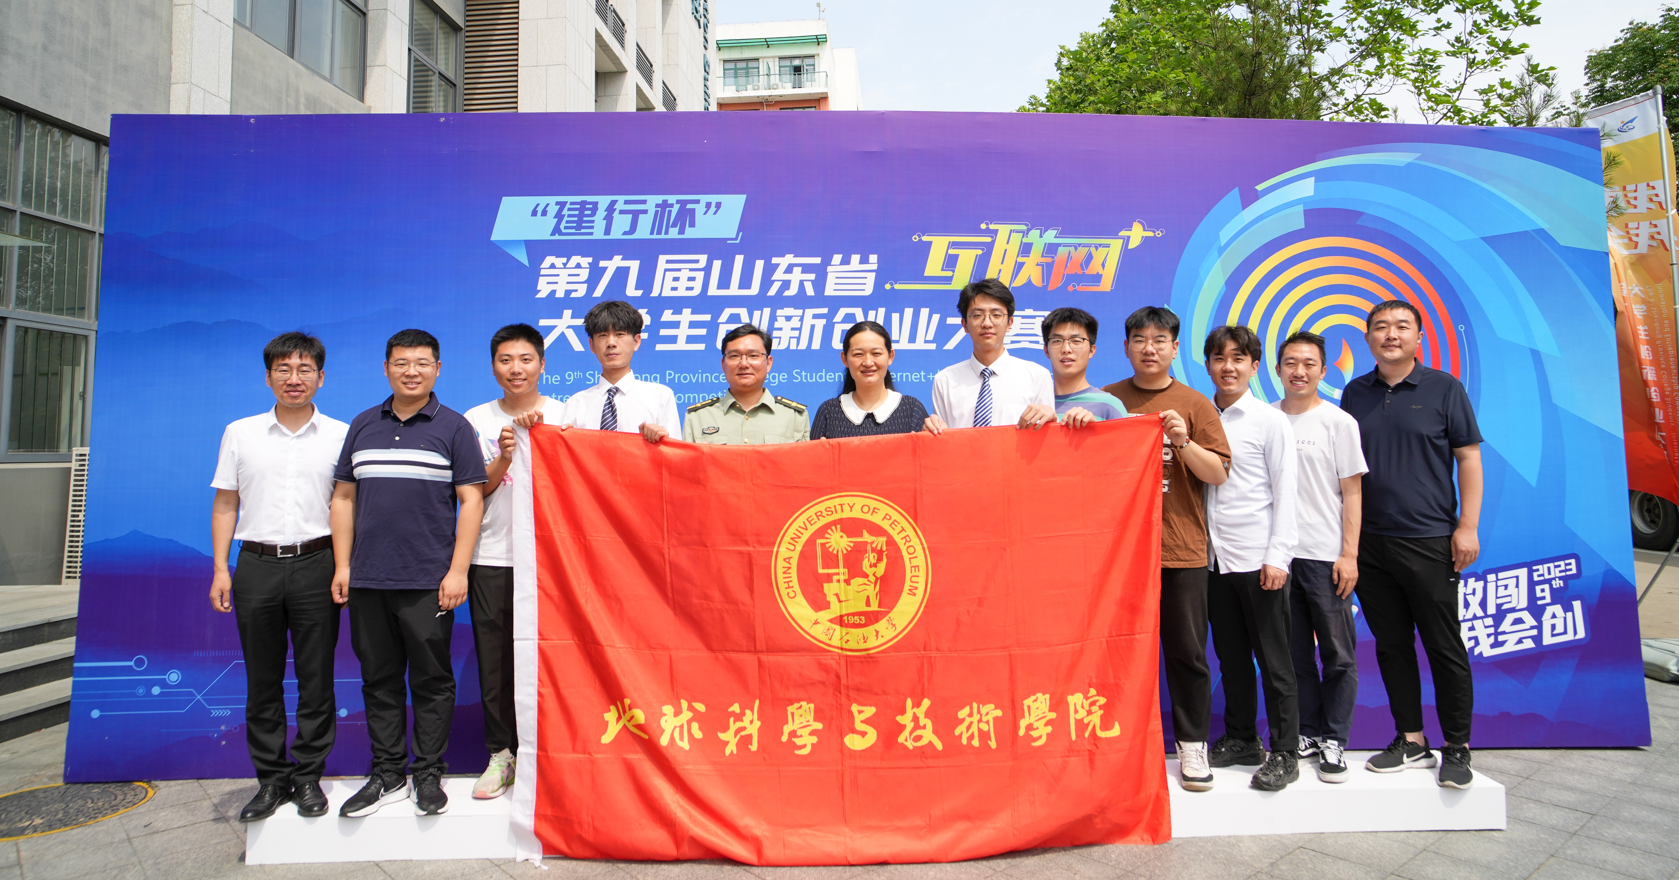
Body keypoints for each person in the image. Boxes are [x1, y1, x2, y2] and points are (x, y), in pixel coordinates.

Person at [331, 329, 487, 818]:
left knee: (431, 679)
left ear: (437, 369)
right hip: (369, 579)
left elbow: (472, 500)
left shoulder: (455, 427)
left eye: (422, 363)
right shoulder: (362, 425)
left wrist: (458, 570)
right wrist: (343, 565)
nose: (411, 371)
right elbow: (343, 497)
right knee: (378, 679)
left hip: (428, 581)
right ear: (386, 368)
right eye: (401, 363)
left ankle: (427, 772)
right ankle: (387, 773)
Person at [1341, 300, 1481, 789]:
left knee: (1444, 645)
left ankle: (1458, 746)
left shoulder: (1445, 388)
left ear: (1419, 337)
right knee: (1392, 646)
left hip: (1429, 540)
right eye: (1381, 327)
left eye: (1402, 326)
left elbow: (1468, 458)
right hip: (1370, 544)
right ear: (1368, 338)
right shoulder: (1355, 393)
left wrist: (1467, 527)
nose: (1391, 334)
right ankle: (1412, 740)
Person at [209, 332, 349, 822]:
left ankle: (308, 777)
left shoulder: (341, 434)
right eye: (284, 370)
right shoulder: (240, 432)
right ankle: (270, 779)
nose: (294, 379)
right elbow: (226, 501)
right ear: (268, 377)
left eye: (304, 369)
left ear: (321, 377)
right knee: (262, 678)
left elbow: (345, 504)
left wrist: (344, 566)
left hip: (318, 563)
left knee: (316, 678)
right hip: (257, 565)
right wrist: (221, 569)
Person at [1101, 306, 1231, 791]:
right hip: (1118, 555)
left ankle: (1192, 745)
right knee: (1116, 656)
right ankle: (1116, 750)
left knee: (1186, 654)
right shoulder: (1106, 400)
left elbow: (1218, 473)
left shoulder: (1195, 404)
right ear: (1126, 347)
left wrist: (1183, 440)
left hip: (1180, 550)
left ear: (1175, 348)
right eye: (1139, 339)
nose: (1149, 348)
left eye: (1159, 340)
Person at [462, 324, 563, 800]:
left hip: (554, 561)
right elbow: (471, 493)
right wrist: (503, 457)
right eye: (506, 360)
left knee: (555, 661)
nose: (516, 369)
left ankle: (550, 757)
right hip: (493, 557)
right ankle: (501, 755)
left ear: (542, 364)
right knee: (496, 662)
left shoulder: (565, 415)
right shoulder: (474, 419)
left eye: (525, 359)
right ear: (493, 367)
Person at [1201, 325, 1300, 792]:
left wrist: (1278, 556)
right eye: (1219, 358)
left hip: (1259, 561)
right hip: (1214, 561)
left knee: (1275, 663)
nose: (1228, 367)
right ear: (1207, 365)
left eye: (1238, 358)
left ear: (1255, 366)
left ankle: (1285, 751)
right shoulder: (1200, 416)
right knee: (1232, 659)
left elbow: (1287, 492)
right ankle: (1242, 738)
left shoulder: (1269, 421)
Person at [1274, 331, 1367, 783]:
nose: (1300, 371)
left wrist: (1349, 554)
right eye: (1291, 363)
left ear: (1323, 371)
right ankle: (1306, 733)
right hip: (1278, 557)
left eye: (1309, 364)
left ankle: (1335, 740)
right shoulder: (1267, 419)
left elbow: (1353, 493)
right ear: (1277, 369)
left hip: (1325, 556)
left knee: (1338, 655)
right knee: (1293, 656)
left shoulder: (1338, 422)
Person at [924, 278, 1054, 434]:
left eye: (996, 315)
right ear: (965, 324)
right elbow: (943, 439)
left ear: (1010, 323)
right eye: (977, 315)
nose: (987, 323)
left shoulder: (1037, 376)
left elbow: (1046, 436)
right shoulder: (945, 380)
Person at [558, 301, 681, 442]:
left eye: (620, 334)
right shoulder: (576, 404)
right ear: (592, 345)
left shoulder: (660, 397)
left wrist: (655, 443)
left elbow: (674, 452)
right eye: (603, 335)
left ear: (636, 341)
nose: (611, 343)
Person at [682, 324, 810, 445]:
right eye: (734, 356)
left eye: (753, 355)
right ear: (723, 364)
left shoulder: (794, 416)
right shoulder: (697, 417)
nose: (743, 364)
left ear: (768, 363)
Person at [810, 321, 931, 438]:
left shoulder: (911, 410)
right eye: (858, 354)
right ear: (845, 359)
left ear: (890, 356)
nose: (868, 362)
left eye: (876, 353)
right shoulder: (829, 412)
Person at [1040, 307, 1128, 426]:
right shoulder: (1035, 403)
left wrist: (1096, 430)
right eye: (1057, 341)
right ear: (1046, 350)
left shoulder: (1109, 406)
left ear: (1091, 351)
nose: (1066, 349)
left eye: (1076, 341)